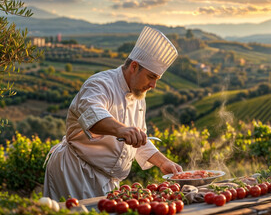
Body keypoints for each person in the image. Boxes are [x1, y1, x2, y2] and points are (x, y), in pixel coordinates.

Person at [43, 26, 183, 201]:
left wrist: (164, 162)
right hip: (76, 173)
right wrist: (122, 130)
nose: (154, 85)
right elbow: (92, 116)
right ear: (134, 66)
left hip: (108, 181)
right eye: (151, 77)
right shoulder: (100, 84)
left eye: (157, 79)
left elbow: (139, 139)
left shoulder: (139, 95)